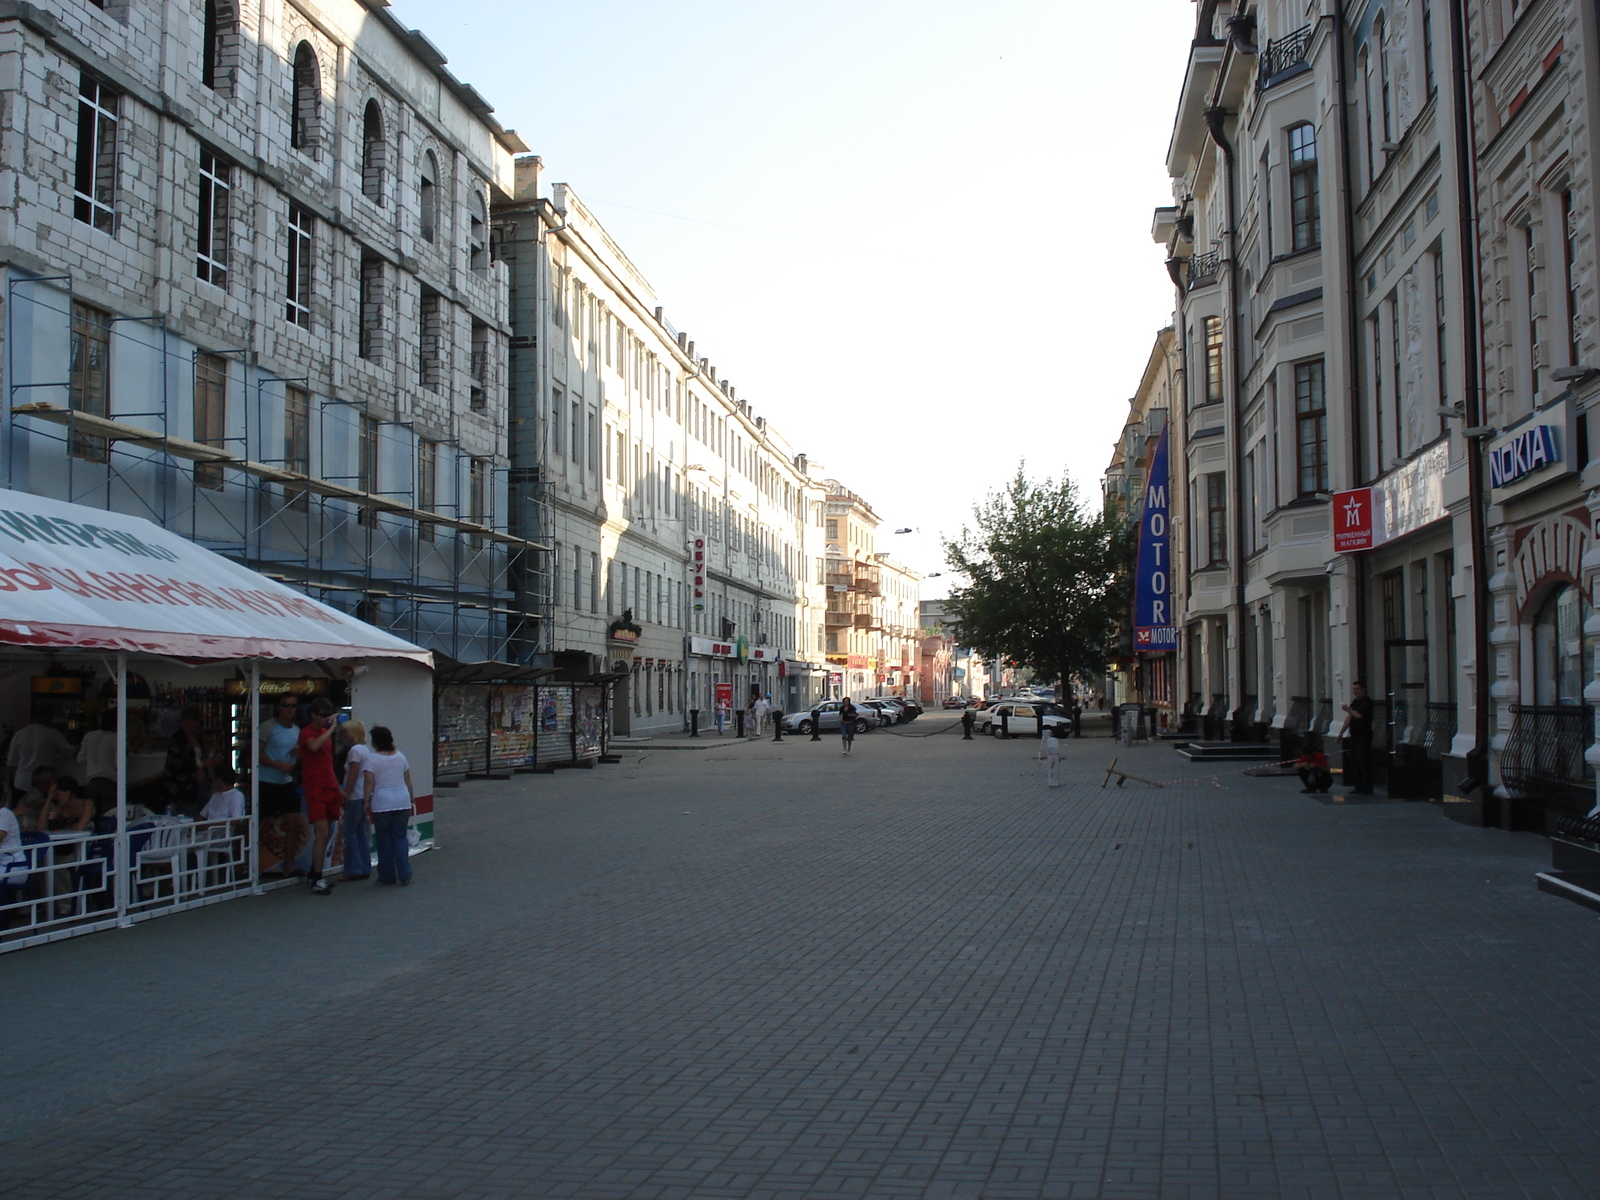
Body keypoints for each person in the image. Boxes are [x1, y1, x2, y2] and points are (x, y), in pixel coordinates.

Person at [257, 695, 309, 878]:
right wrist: (278, 765)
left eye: (293, 706)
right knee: (263, 824)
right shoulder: (268, 727)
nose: (290, 709)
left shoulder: (296, 730)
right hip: (266, 781)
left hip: (286, 783)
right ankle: (259, 865)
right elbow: (257, 754)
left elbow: (296, 754)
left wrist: (297, 756)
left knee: (294, 823)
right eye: (286, 705)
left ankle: (289, 866)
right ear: (278, 707)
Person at [363, 725, 415, 886]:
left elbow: (369, 782)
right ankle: (405, 873)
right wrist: (411, 797)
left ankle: (387, 876)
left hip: (382, 802)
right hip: (402, 801)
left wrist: (366, 801)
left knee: (384, 839)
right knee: (400, 837)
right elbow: (407, 779)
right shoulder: (400, 757)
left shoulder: (372, 759)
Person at [299, 698, 342, 895]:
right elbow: (313, 747)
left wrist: (337, 789)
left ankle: (315, 873)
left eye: (328, 715)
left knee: (328, 832)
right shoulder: (307, 732)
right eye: (323, 715)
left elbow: (328, 762)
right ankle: (317, 876)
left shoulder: (326, 734)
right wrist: (332, 728)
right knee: (322, 833)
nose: (326, 719)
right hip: (315, 788)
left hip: (329, 786)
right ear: (313, 715)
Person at [165, 705, 219, 815]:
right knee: (188, 819)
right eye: (187, 723)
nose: (190, 726)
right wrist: (200, 764)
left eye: (193, 723)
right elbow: (176, 764)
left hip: (202, 785)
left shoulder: (198, 738)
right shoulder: (176, 740)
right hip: (185, 789)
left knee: (204, 819)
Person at [6, 716, 71, 804]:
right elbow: (69, 751)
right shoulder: (51, 733)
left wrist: (16, 777)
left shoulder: (20, 734)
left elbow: (11, 763)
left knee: (19, 812)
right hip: (44, 782)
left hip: (22, 781)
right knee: (42, 811)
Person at [339, 720, 372, 881]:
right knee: (360, 832)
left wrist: (346, 792)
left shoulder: (354, 752)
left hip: (354, 796)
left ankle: (352, 869)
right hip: (361, 796)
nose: (343, 735)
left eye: (345, 732)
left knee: (349, 832)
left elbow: (352, 774)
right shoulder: (365, 750)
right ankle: (364, 866)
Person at [77, 711, 118, 818]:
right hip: (109, 781)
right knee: (109, 817)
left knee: (91, 816)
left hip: (92, 781)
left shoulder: (89, 736)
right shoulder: (117, 738)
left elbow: (80, 759)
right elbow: (118, 763)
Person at [1338, 680, 1375, 795]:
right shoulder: (1355, 702)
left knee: (1362, 760)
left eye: (1357, 689)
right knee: (1353, 760)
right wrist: (1341, 732)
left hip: (1364, 735)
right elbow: (1349, 718)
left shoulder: (1366, 701)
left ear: (1363, 689)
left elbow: (1358, 715)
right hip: (1354, 735)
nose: (1355, 692)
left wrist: (1348, 709)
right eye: (1354, 689)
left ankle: (1367, 786)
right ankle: (1358, 785)